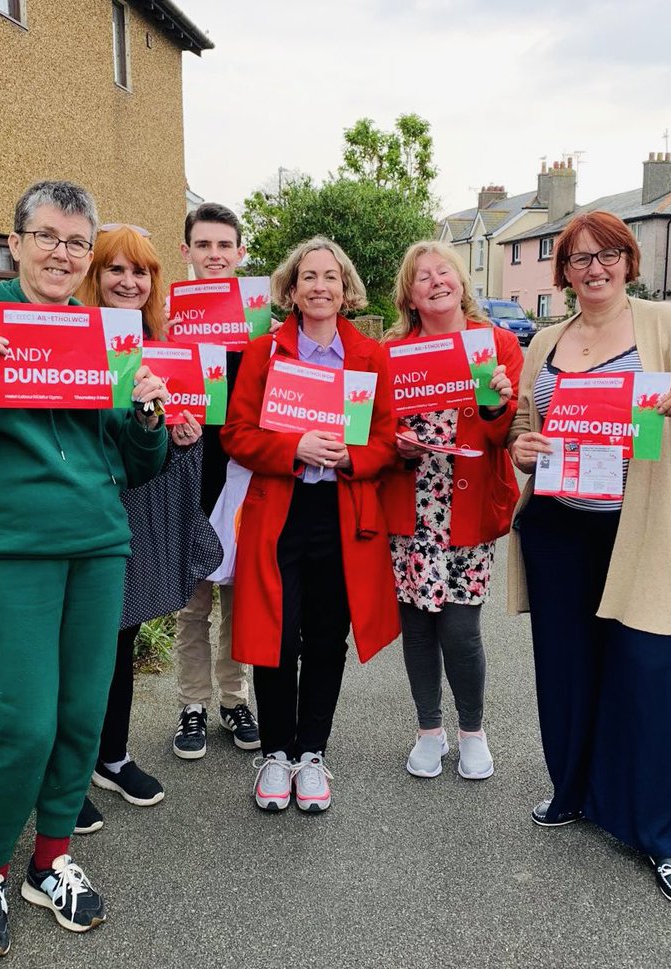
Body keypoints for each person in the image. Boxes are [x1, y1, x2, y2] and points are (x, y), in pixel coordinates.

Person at [0, 181, 169, 960]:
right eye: (47, 237)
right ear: (13, 245)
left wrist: (147, 414)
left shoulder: (102, 335)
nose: (63, 254)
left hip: (95, 545)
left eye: (77, 243)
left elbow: (136, 461)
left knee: (82, 715)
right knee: (25, 722)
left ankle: (51, 860)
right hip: (9, 551)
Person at [506, 210, 671, 906]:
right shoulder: (547, 339)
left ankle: (663, 836)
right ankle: (572, 791)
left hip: (640, 531)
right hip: (559, 530)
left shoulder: (668, 329)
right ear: (565, 272)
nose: (594, 268)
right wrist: (521, 449)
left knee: (647, 680)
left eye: (607, 254)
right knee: (567, 672)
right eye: (579, 259)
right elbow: (527, 424)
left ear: (629, 261)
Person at [221, 236, 399, 813]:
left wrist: (354, 457)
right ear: (291, 289)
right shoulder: (263, 353)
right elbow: (237, 434)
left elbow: (387, 440)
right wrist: (294, 445)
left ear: (346, 288)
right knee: (276, 635)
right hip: (279, 510)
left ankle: (311, 753)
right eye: (308, 277)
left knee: (327, 636)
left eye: (331, 277)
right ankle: (275, 753)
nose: (320, 287)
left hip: (342, 513)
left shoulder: (371, 357)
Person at [71, 224, 222, 834]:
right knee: (84, 649)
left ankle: (111, 756)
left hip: (142, 505)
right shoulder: (75, 340)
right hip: (89, 508)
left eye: (141, 272)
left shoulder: (166, 344)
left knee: (123, 637)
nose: (129, 282)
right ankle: (68, 776)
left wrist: (184, 438)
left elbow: (176, 433)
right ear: (95, 278)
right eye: (116, 271)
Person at [380, 242, 522, 781]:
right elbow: (373, 426)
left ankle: (472, 731)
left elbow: (500, 434)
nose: (436, 282)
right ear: (410, 297)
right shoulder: (390, 352)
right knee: (417, 625)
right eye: (423, 278)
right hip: (411, 504)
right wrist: (396, 444)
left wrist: (495, 402)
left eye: (445, 273)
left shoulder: (497, 345)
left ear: (462, 282)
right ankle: (428, 731)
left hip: (466, 502)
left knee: (460, 627)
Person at [170, 203, 260, 760]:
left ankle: (234, 698)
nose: (214, 255)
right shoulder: (168, 324)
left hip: (245, 476)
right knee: (193, 605)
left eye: (224, 246)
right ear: (187, 252)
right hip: (189, 476)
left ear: (240, 254)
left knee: (238, 600)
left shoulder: (258, 326)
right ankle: (192, 706)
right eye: (203, 246)